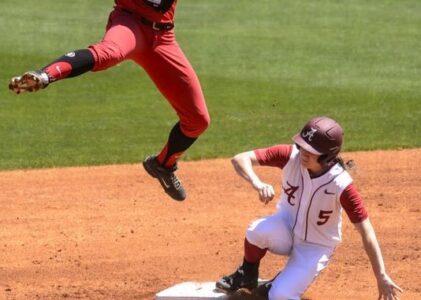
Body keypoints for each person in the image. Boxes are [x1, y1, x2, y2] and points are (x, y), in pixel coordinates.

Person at [8, 0, 210, 201]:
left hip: (164, 39)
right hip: (129, 24)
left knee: (197, 120)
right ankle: (45, 75)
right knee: (108, 53)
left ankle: (162, 166)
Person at [216, 116, 403, 300]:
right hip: (286, 230)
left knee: (281, 295)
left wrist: (381, 275)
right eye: (302, 145)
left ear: (327, 155)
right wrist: (258, 183)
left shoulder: (341, 185)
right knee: (257, 230)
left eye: (311, 150)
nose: (304, 152)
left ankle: (278, 284)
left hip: (315, 247)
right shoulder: (290, 156)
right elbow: (240, 159)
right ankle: (246, 276)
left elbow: (366, 231)